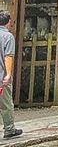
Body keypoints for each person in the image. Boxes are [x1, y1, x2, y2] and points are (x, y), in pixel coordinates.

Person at [0, 11, 22, 141]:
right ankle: (9, 129)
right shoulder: (8, 37)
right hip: (1, 77)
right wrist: (8, 74)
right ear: (8, 22)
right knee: (6, 104)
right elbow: (8, 56)